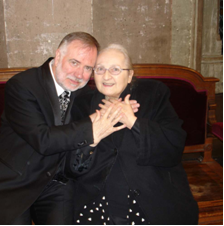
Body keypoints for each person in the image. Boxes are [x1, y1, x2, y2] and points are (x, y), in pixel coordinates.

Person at [0, 32, 128, 225]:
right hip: (17, 182)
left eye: (88, 68)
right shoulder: (22, 86)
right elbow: (43, 140)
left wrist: (120, 107)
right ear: (58, 56)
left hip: (58, 182)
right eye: (74, 63)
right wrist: (94, 120)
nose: (79, 75)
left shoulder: (83, 92)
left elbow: (115, 90)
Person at [67, 44, 199, 225]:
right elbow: (71, 166)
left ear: (129, 75)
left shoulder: (153, 94)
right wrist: (92, 137)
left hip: (149, 194)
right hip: (96, 196)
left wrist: (133, 121)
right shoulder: (82, 104)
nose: (106, 76)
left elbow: (173, 146)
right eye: (100, 69)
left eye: (115, 69)